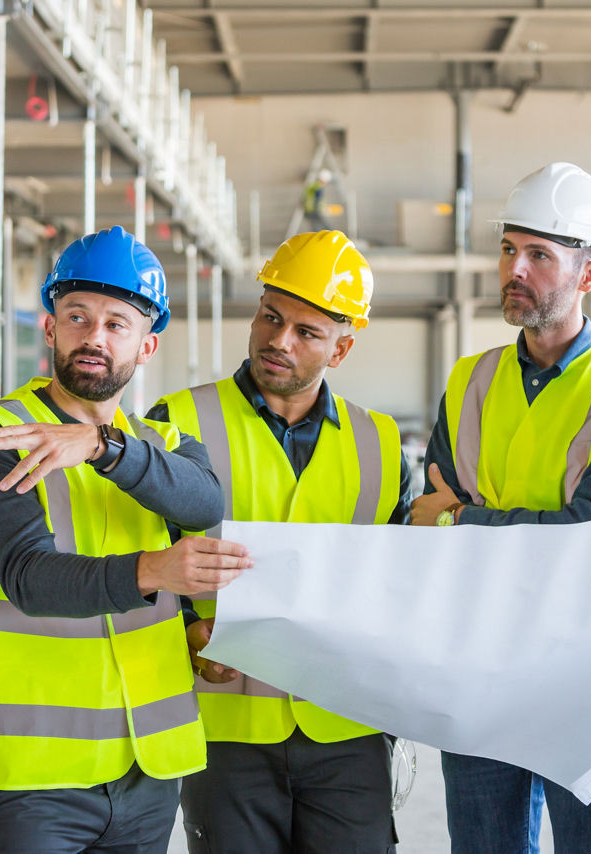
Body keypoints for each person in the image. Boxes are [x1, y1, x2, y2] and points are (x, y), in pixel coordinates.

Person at [0, 225, 252, 854]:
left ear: (146, 345)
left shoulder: (160, 445)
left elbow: (206, 501)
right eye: (77, 316)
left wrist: (103, 448)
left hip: (146, 773)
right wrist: (159, 570)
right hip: (27, 782)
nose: (94, 338)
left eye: (116, 324)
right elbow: (30, 578)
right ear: (50, 327)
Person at [411, 161, 591, 854]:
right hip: (478, 665)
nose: (514, 269)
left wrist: (464, 518)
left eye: (538, 255)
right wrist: (448, 520)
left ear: (588, 276)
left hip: (589, 671)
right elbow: (422, 522)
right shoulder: (470, 379)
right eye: (508, 250)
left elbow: (586, 538)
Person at [151, 228, 412, 854]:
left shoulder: (380, 443)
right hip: (225, 727)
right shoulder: (177, 421)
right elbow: (137, 563)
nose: (278, 340)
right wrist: (186, 633)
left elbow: (400, 578)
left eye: (306, 332)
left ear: (341, 349)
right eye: (270, 317)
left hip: (347, 725)